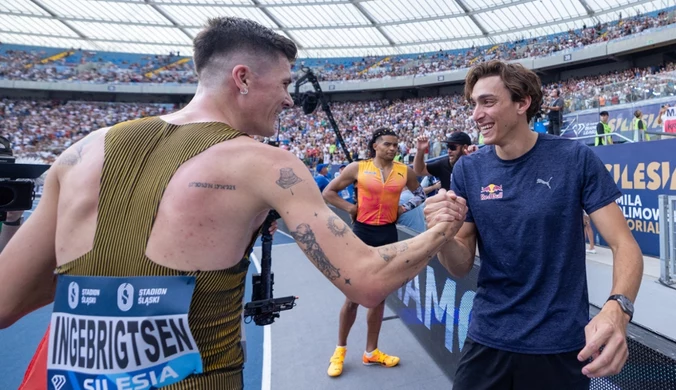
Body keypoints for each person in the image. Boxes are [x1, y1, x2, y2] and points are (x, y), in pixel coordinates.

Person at [0, 17, 467, 390]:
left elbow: (7, 301)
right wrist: (441, 230)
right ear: (242, 78)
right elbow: (366, 281)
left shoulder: (83, 150)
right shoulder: (264, 162)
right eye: (284, 84)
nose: (288, 99)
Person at [424, 60, 643, 390]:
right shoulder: (468, 170)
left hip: (560, 346)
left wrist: (618, 309)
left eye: (488, 102)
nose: (476, 115)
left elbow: (624, 245)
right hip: (487, 339)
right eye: (473, 104)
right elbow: (460, 265)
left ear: (522, 103)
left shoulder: (575, 159)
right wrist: (440, 234)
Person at [322, 128, 429, 377]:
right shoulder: (357, 168)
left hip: (388, 235)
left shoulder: (404, 171)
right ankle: (339, 350)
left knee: (379, 296)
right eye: (388, 144)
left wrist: (404, 207)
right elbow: (328, 193)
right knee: (353, 296)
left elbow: (420, 194)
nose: (393, 149)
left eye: (396, 145)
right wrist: (350, 207)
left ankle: (371, 352)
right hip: (361, 234)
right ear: (375, 146)